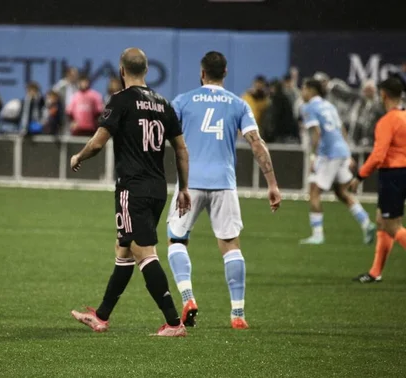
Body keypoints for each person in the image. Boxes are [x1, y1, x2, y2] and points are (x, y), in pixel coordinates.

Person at [69, 48, 191, 337]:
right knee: (123, 250)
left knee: (143, 253)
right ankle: (101, 316)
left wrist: (79, 157)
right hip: (157, 189)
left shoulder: (120, 101)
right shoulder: (164, 104)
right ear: (146, 71)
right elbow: (182, 149)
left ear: (122, 71)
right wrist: (184, 188)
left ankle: (174, 323)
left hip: (132, 188)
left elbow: (98, 143)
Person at [166, 51, 281, 330]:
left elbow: (162, 138)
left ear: (202, 72)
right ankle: (238, 314)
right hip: (224, 184)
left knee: (176, 241)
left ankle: (188, 298)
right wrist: (272, 184)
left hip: (190, 183)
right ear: (225, 73)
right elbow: (256, 143)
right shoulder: (238, 104)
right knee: (230, 246)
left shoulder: (183, 101)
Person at [299, 78, 375, 245]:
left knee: (314, 192)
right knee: (341, 192)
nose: (301, 92)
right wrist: (347, 155)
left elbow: (316, 133)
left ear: (312, 91)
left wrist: (314, 157)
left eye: (303, 89)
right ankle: (366, 223)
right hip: (341, 151)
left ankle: (317, 235)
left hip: (329, 154)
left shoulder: (308, 107)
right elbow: (342, 130)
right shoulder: (329, 105)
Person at [350, 77, 406, 283]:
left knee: (392, 226)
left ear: (383, 95)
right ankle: (375, 272)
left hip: (392, 174)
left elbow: (378, 155)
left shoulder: (386, 121)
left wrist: (359, 176)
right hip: (401, 172)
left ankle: (375, 272)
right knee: (383, 222)